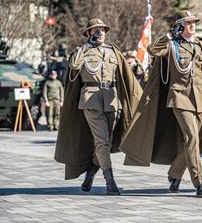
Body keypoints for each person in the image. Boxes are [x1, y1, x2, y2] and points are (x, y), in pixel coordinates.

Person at [120, 10, 202, 198]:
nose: (192, 25)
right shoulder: (172, 45)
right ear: (179, 26)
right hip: (179, 98)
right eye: (187, 23)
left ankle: (175, 173)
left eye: (193, 22)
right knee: (192, 138)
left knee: (190, 141)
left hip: (200, 99)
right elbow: (152, 50)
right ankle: (199, 181)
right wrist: (170, 34)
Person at [54, 18, 142, 195]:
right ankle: (110, 181)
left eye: (102, 30)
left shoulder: (113, 52)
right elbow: (73, 66)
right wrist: (87, 46)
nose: (101, 33)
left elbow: (126, 77)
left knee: (105, 143)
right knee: (102, 141)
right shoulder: (82, 51)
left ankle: (91, 173)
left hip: (111, 100)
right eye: (96, 30)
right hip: (91, 100)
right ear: (89, 34)